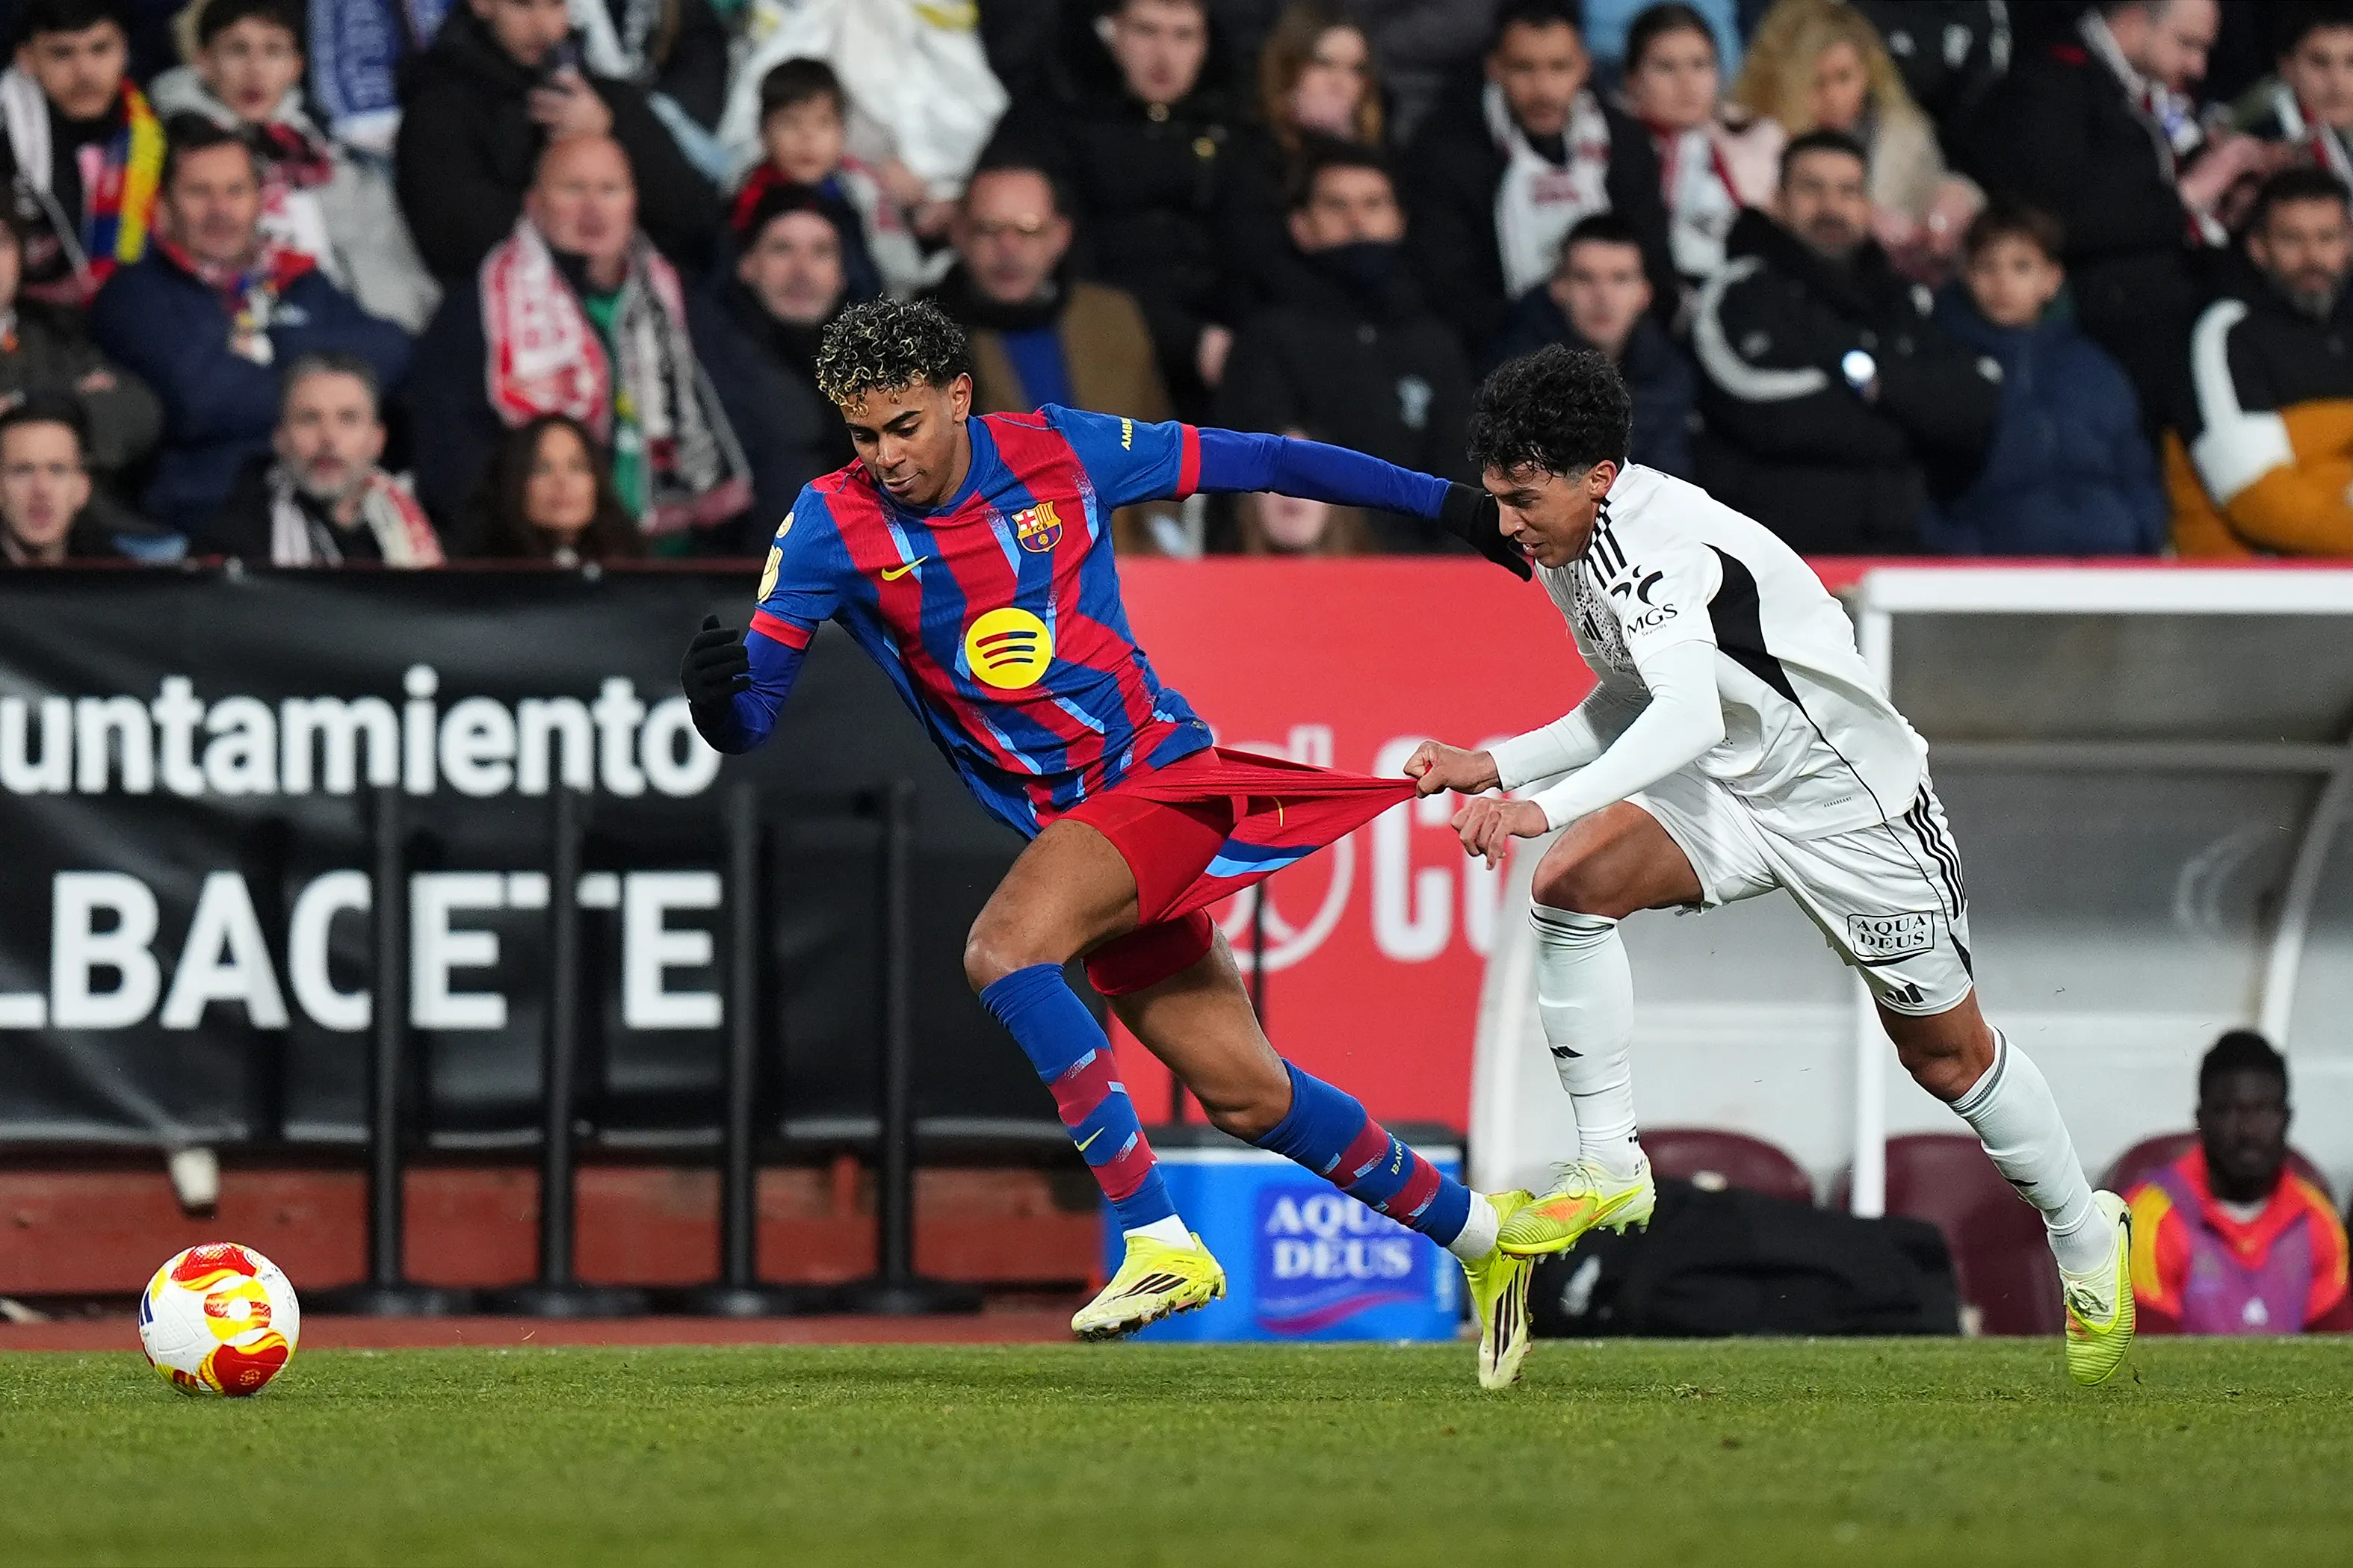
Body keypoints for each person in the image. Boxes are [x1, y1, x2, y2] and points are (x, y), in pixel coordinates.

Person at [677, 297, 1546, 1385]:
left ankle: (1157, 1239)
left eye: (905, 425)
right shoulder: (826, 525)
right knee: (1248, 1094)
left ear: (958, 397)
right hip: (1082, 829)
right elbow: (752, 713)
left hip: (1159, 781)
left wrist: (1452, 506)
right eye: (863, 435)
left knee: (1003, 948)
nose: (886, 456)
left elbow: (1266, 460)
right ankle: (1483, 1236)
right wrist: (720, 706)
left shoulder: (1062, 451)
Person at [1403, 344, 2136, 1388]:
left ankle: (2082, 1228)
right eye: (1499, 500)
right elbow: (1635, 693)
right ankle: (1612, 1162)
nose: (1508, 524)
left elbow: (1685, 709)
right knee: (1568, 888)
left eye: (1523, 500)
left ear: (1596, 476)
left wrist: (1535, 800)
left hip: (1850, 806)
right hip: (1726, 786)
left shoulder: (1652, 548)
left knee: (1945, 1057)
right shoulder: (1574, 549)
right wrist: (1495, 760)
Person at [406, 133, 749, 542]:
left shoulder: (682, 303)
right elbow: (450, 453)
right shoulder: (476, 309)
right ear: (534, 204)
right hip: (534, 563)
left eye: (609, 189)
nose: (593, 208)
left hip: (671, 563)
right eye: (573, 189)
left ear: (633, 203)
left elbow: (751, 426)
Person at [87, 117, 412, 536]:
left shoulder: (298, 279)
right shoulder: (136, 294)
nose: (220, 210)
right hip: (203, 522)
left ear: (260, 201)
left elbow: (394, 350)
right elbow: (200, 401)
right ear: (164, 207)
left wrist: (278, 346)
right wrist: (322, 377)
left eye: (236, 191)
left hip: (325, 511)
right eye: (199, 192)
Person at [1964, 0, 2289, 418]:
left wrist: (2225, 196)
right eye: (2187, 44)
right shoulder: (2050, 82)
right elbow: (2056, 216)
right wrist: (2191, 193)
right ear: (2136, 17)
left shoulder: (2139, 90)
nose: (2198, 68)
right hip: (2108, 330)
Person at [1688, 129, 1998, 554]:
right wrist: (1904, 411)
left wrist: (1872, 381)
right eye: (1812, 189)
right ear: (1777, 200)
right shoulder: (1738, 292)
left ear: (1868, 207)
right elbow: (1765, 413)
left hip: (1895, 553)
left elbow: (1971, 407)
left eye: (1848, 191)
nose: (1832, 207)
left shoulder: (1906, 300)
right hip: (1774, 557)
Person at [1217, 141, 1474, 551]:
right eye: (1337, 206)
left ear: (1399, 221)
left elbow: (1461, 483)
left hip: (1420, 582)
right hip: (1307, 576)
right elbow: (1247, 483)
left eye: (1373, 205)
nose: (1357, 221)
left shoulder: (1433, 343)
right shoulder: (1268, 339)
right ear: (1300, 225)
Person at [991, 0, 1243, 416]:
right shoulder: (1052, 119)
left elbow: (1256, 250)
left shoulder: (1235, 126)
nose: (1165, 56)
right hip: (1101, 335)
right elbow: (1065, 261)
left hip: (1224, 349)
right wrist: (1188, 339)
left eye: (1184, 35)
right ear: (1109, 32)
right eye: (1147, 31)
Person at [924, 160, 1184, 556]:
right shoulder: (920, 336)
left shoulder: (1114, 319)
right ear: (959, 233)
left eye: (1028, 231)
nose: (1008, 248)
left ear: (1060, 237)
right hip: (987, 574)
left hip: (1123, 573)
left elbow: (1159, 455)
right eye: (989, 230)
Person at [1402, 0, 1673, 359]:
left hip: (1621, 351)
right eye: (1524, 68)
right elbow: (1448, 284)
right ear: (1494, 68)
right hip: (1498, 352)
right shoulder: (1446, 148)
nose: (1543, 89)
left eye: (1559, 67)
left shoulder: (1624, 142)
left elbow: (1653, 262)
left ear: (1584, 67)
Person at [147, 0, 439, 331]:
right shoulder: (163, 149)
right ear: (204, 62)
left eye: (274, 51)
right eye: (237, 50)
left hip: (360, 341)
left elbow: (388, 267)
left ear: (296, 66)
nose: (255, 70)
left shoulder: (327, 155)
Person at [393, 0, 717, 283]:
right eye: (522, 5)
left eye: (556, 4)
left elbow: (696, 223)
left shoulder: (608, 101)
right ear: (481, 3)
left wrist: (613, 134)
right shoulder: (438, 110)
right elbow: (459, 243)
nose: (543, 27)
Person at [1924, 201, 2165, 556]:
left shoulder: (2096, 369)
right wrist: (1960, 551)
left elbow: (2136, 470)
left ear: (2052, 280)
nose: (2003, 282)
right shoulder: (1942, 365)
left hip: (2106, 571)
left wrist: (2140, 534)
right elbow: (1927, 482)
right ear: (1966, 277)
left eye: (2021, 267)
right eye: (1986, 267)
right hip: (1991, 578)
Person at [2168, 167, 2353, 557]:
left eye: (2328, 238)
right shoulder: (2227, 332)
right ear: (2258, 248)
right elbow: (2257, 498)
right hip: (2257, 598)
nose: (2313, 257)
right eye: (2291, 240)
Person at [1732, 0, 1980, 283]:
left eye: (1844, 77)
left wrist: (1956, 203)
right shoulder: (1747, 144)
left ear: (1869, 72)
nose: (1834, 97)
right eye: (1817, 83)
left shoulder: (1905, 140)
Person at [2127, 1032, 2352, 1335]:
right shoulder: (2149, 1219)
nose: (2247, 1131)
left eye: (2262, 1111)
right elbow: (2146, 1369)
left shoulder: (2316, 1220)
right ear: (2201, 1119)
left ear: (2286, 1118)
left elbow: (2336, 1362)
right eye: (2229, 1111)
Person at [689, 181, 857, 552]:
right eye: (782, 249)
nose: (802, 271)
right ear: (746, 265)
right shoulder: (702, 351)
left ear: (842, 273)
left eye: (821, 252)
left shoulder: (879, 366)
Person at [1485, 212, 1695, 477]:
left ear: (1645, 293)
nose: (1603, 296)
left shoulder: (1669, 377)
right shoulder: (1510, 378)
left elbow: (1670, 487)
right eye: (1585, 278)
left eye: (1620, 279)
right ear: (1558, 289)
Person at [1220, 1, 1384, 322]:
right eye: (1324, 64)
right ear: (1288, 67)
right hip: (1283, 321)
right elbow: (1254, 263)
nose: (1340, 83)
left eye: (1356, 69)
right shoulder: (1251, 150)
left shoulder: (1377, 154)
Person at [200, 350, 440, 565]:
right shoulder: (233, 541)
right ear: (280, 438)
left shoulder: (415, 524)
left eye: (348, 419)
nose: (329, 437)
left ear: (378, 440)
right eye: (310, 418)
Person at [0, 0, 162, 308]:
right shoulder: (5, 133)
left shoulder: (156, 125)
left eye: (100, 49)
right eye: (62, 53)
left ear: (124, 50)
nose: (84, 72)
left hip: (127, 305)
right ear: (26, 59)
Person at [1618, 1, 1783, 293]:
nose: (1687, 83)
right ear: (1632, 80)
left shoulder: (1761, 139)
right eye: (1665, 67)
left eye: (1700, 64)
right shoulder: (1605, 147)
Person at [723, 58, 914, 303]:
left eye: (824, 123)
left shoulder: (862, 190)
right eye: (790, 123)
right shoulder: (746, 193)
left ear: (842, 133)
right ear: (763, 132)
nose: (808, 139)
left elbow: (895, 264)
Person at [0, 208, 157, 499]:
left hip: (80, 522)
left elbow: (140, 411)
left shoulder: (54, 330)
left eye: (2, 243)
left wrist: (40, 406)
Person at [0, 391, 177, 561]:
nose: (41, 488)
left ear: (83, 488)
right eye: (23, 471)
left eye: (57, 470)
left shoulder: (120, 583)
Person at [461, 412, 643, 563]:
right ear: (515, 484)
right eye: (542, 469)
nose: (562, 482)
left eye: (577, 467)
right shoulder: (482, 576)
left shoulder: (633, 569)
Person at [2241, 1, 2353, 192]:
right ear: (2287, 66)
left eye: (2351, 63)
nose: (2338, 82)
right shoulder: (2260, 149)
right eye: (2320, 62)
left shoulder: (2340, 136)